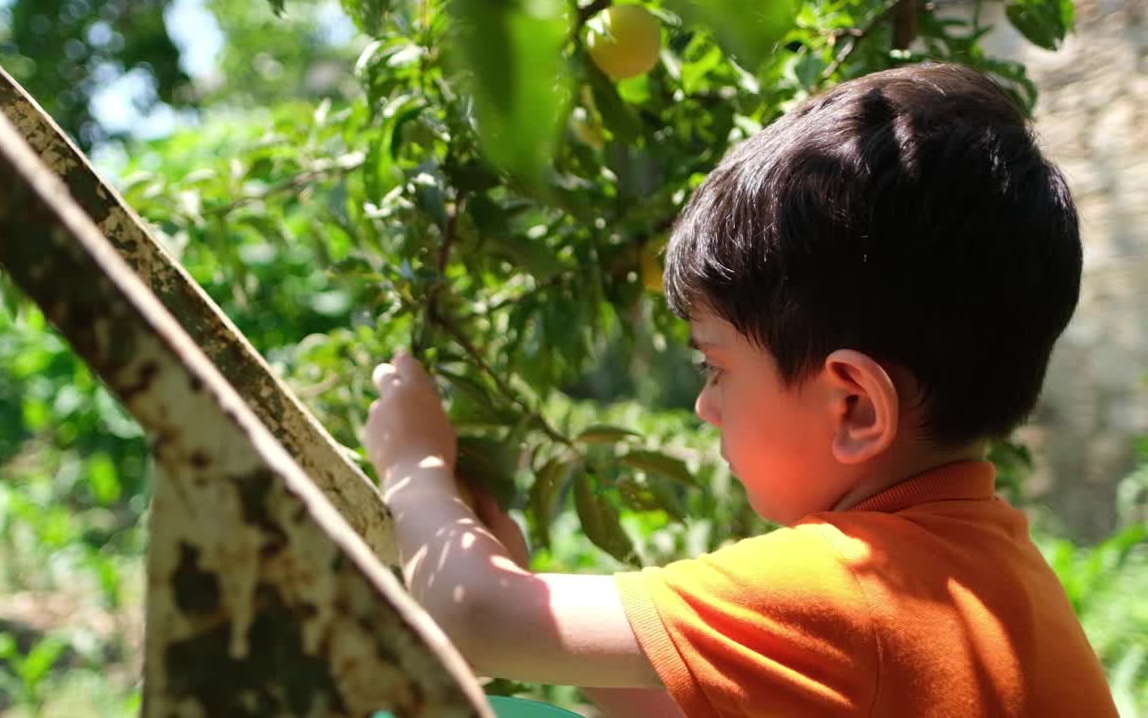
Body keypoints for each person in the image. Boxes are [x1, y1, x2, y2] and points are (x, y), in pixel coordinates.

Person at [362, 63, 1118, 717]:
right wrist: (532, 600)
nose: (705, 405)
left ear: (852, 405)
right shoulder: (998, 577)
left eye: (717, 367)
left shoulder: (852, 584)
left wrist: (414, 464)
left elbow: (472, 616)